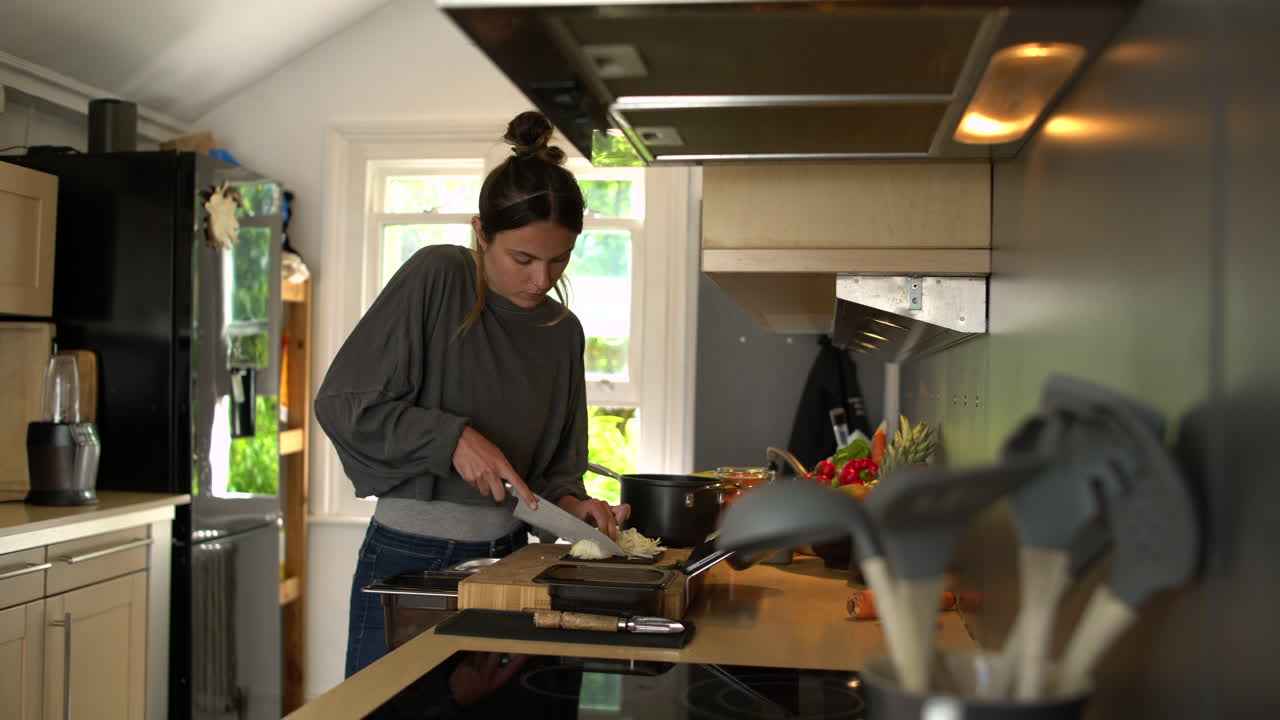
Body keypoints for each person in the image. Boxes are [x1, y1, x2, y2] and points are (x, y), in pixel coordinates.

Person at [316, 111, 631, 679]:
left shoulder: (563, 333)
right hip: (408, 560)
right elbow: (343, 404)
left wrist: (577, 508)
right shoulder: (438, 275)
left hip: (512, 560)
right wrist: (453, 438)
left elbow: (556, 472)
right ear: (480, 232)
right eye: (523, 258)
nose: (542, 279)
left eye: (559, 259)